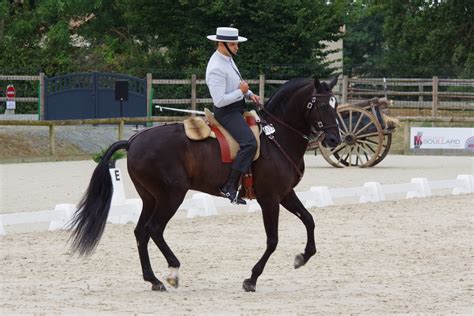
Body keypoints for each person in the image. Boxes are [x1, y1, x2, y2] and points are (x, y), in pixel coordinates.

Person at [206, 27, 261, 205]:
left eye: (236, 43)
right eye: (233, 44)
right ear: (221, 44)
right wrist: (240, 91)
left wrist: (249, 94)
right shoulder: (215, 67)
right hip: (226, 112)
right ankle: (229, 186)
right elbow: (220, 100)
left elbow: (238, 84)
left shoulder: (228, 59)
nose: (236, 47)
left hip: (237, 106)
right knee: (249, 143)